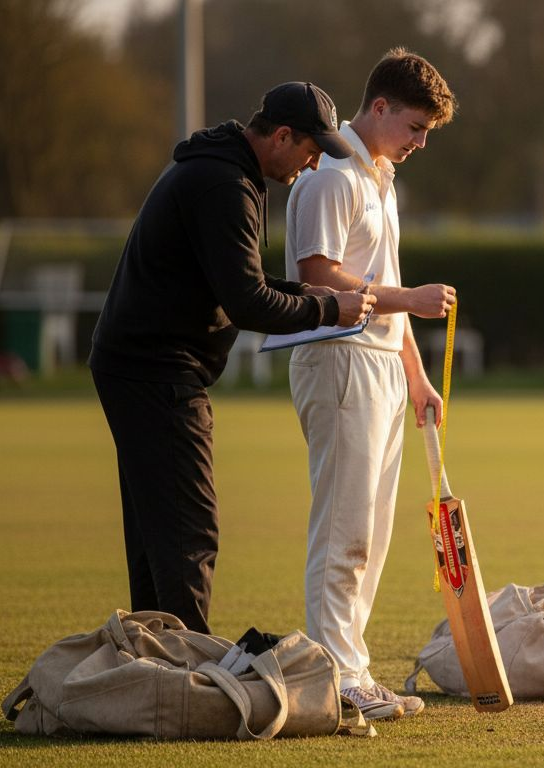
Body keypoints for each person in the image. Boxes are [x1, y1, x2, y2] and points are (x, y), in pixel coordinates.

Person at [90, 82, 375, 636]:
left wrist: (318, 300)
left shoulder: (225, 169)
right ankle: (186, 676)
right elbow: (247, 302)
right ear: (282, 135)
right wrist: (327, 309)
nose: (314, 161)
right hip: (158, 369)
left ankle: (157, 663)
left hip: (135, 364)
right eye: (311, 149)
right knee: (188, 530)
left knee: (158, 532)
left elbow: (240, 281)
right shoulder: (224, 183)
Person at [284, 48, 456, 721]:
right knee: (344, 527)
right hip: (337, 358)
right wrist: (409, 298)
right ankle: (334, 679)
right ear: (378, 106)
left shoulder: (379, 176)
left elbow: (380, 273)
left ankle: (352, 671)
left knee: (373, 532)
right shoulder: (330, 176)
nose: (419, 143)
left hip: (383, 365)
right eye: (414, 127)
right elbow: (315, 275)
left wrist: (416, 377)